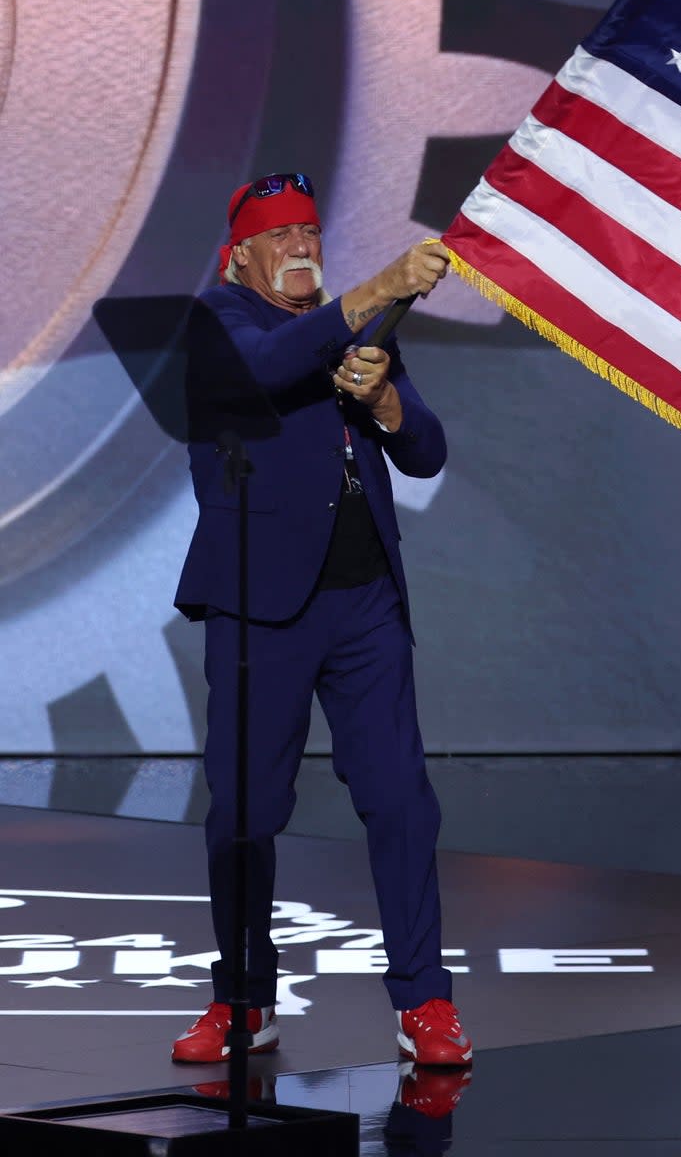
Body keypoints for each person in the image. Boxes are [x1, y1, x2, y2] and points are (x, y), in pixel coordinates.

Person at [170, 172, 471, 1068]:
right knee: (246, 814)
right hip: (262, 607)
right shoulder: (216, 324)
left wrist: (383, 399)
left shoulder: (350, 330)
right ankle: (243, 1000)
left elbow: (425, 452)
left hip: (366, 602)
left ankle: (425, 1004)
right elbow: (272, 365)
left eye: (310, 230)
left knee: (401, 803)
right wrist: (381, 290)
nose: (303, 245)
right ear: (240, 257)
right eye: (281, 236)